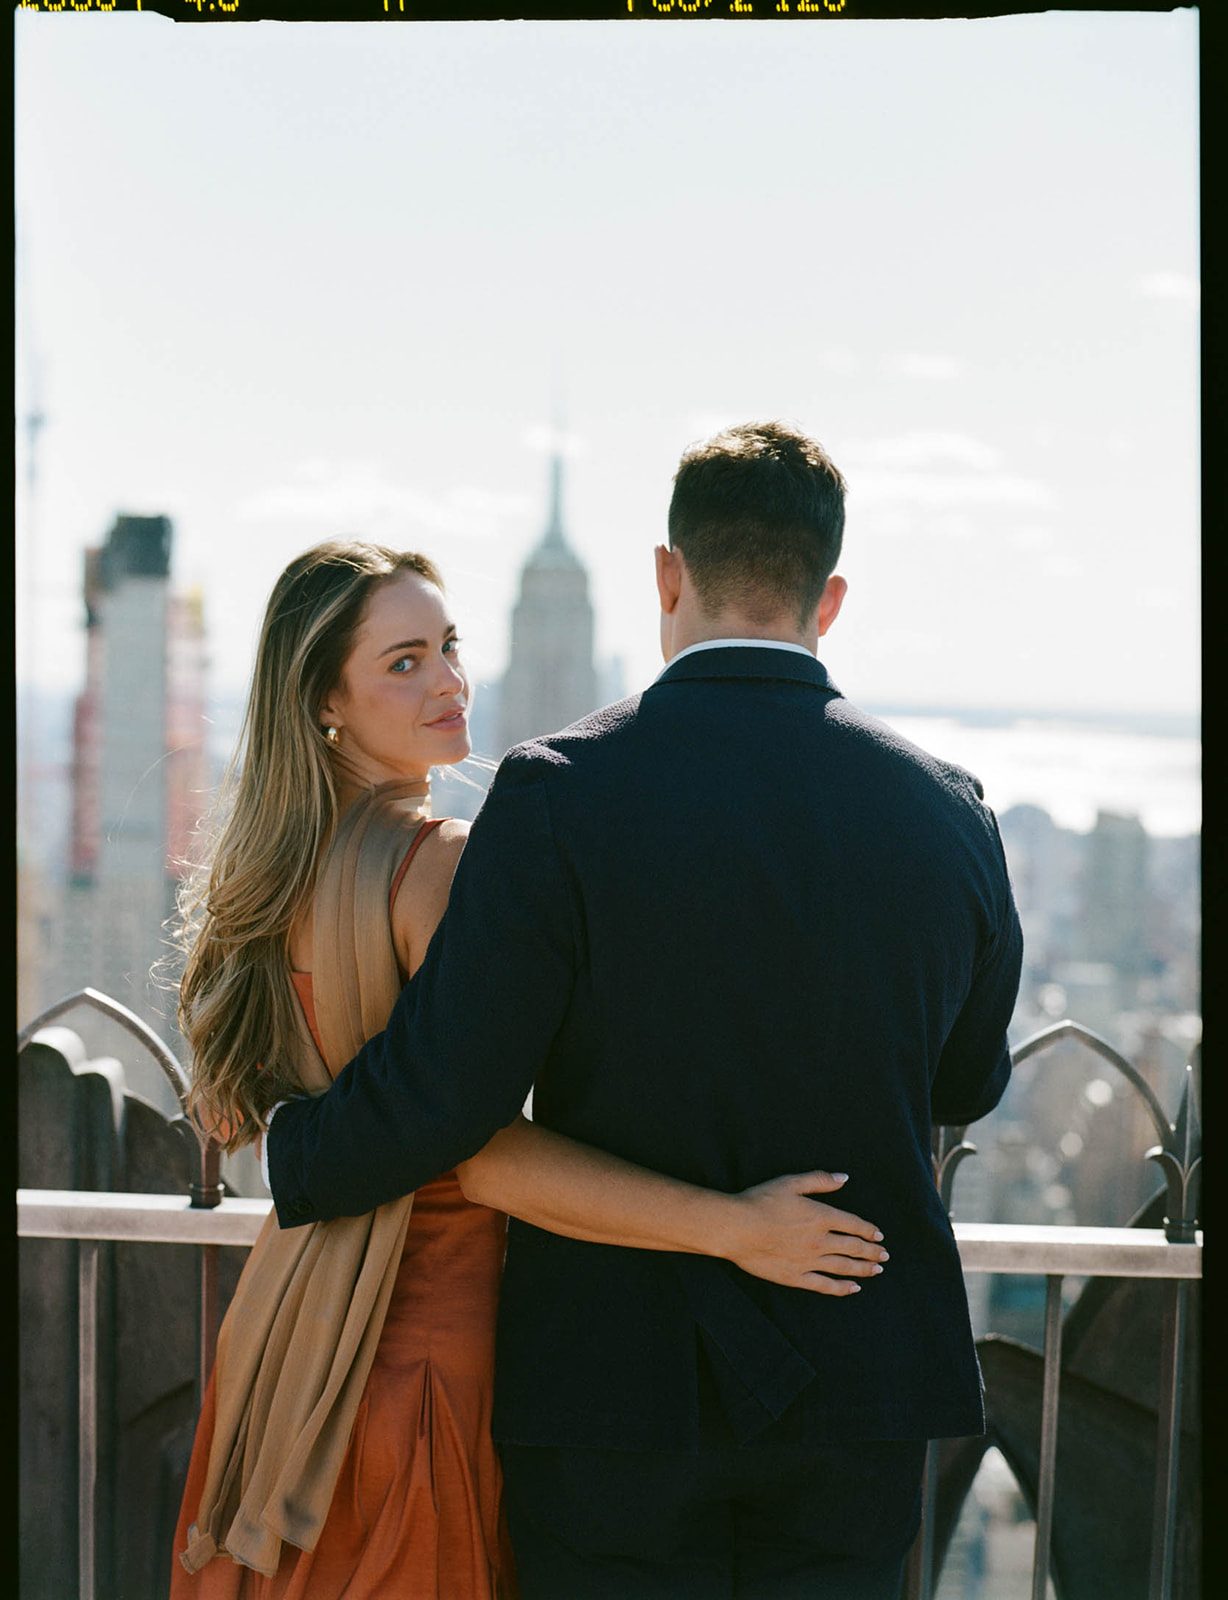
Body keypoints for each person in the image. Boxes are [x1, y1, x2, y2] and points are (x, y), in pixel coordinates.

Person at [267, 422, 1025, 1600]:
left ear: (666, 576)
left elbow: (446, 1091)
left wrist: (288, 1148)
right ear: (828, 599)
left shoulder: (557, 791)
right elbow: (968, 1080)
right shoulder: (950, 809)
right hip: (857, 1370)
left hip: (612, 1382)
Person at [170, 538, 888, 1600]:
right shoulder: (443, 861)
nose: (451, 680)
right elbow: (479, 1156)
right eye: (404, 662)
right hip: (426, 1362)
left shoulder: (271, 876)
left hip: (291, 1349)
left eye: (449, 646)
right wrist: (733, 1224)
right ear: (324, 698)